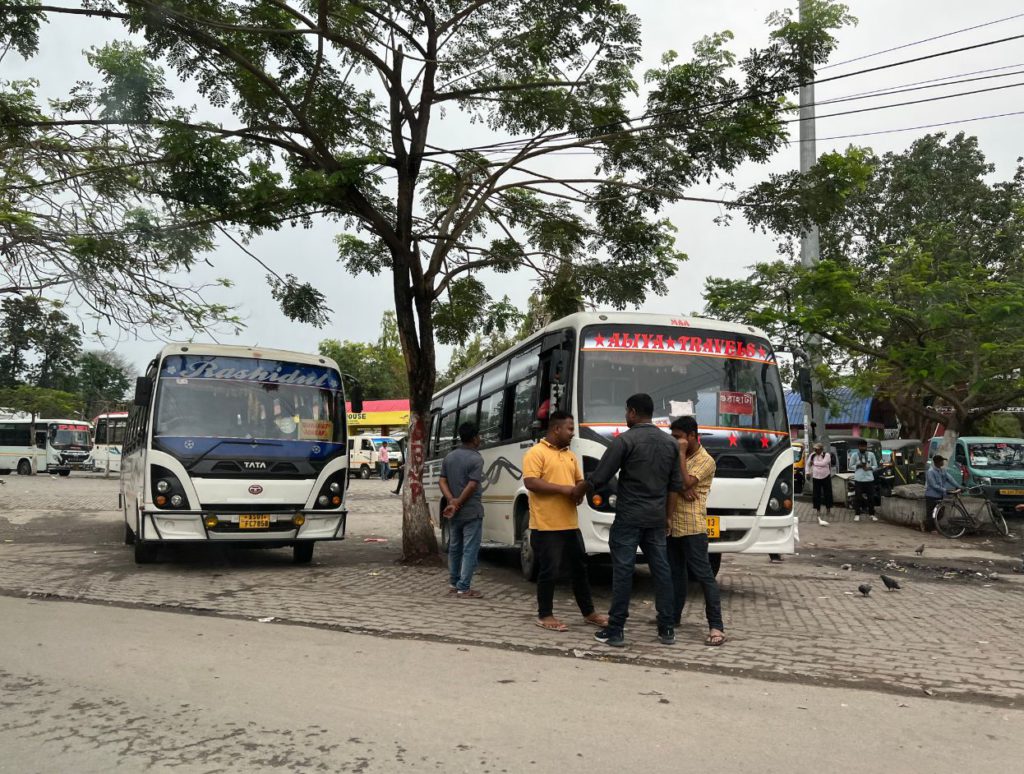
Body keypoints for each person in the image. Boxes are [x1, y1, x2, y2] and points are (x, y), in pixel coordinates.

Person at [582, 393, 682, 648]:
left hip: (628, 517)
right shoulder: (670, 444)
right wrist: (668, 517)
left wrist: (584, 488)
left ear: (634, 412)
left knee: (624, 571)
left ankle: (615, 630)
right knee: (661, 570)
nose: (626, 416)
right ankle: (667, 628)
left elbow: (601, 476)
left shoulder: (625, 441)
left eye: (627, 412)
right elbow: (675, 486)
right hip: (656, 519)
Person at [522, 410, 608, 632]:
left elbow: (577, 481)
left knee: (580, 570)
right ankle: (545, 615)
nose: (572, 433)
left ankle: (589, 613)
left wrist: (579, 492)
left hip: (570, 524)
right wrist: (563, 489)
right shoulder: (536, 453)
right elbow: (531, 482)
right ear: (556, 429)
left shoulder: (570, 455)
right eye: (569, 429)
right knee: (549, 572)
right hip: (546, 525)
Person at [667, 416, 725, 647]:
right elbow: (672, 482)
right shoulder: (674, 454)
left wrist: (682, 481)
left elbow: (684, 481)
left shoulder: (705, 460)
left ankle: (716, 626)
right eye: (674, 438)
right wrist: (682, 487)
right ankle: (673, 617)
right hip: (672, 523)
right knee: (675, 574)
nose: (676, 442)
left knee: (703, 576)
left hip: (694, 527)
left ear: (692, 436)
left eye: (679, 437)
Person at [439, 423, 485, 599]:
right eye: (479, 436)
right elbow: (472, 484)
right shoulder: (476, 459)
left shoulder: (449, 457)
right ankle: (464, 587)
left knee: (454, 547)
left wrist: (451, 500)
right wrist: (458, 501)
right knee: (469, 549)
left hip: (453, 512)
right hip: (471, 510)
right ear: (474, 438)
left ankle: (453, 582)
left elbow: (442, 481)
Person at [924, 454, 960, 532]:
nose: (943, 462)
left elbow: (950, 479)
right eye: (941, 461)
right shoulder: (930, 472)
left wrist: (959, 486)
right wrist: (945, 490)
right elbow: (933, 485)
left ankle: (934, 526)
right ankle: (929, 528)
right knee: (931, 513)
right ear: (937, 462)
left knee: (940, 513)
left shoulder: (942, 471)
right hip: (931, 496)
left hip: (940, 495)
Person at [851, 439, 879, 522]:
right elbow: (850, 466)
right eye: (861, 446)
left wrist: (869, 468)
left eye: (864, 446)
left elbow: (875, 465)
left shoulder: (871, 454)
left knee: (871, 497)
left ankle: (872, 514)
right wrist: (857, 465)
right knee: (858, 497)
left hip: (869, 479)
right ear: (858, 447)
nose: (862, 448)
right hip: (859, 479)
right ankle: (857, 514)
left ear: (866, 447)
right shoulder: (855, 455)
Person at [808, 442, 834, 526]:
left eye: (817, 449)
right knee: (816, 494)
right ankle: (818, 510)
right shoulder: (812, 455)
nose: (816, 451)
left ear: (821, 449)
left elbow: (824, 463)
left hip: (826, 476)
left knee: (828, 493)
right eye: (815, 449)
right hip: (816, 476)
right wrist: (808, 472)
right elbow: (808, 464)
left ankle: (828, 510)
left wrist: (814, 463)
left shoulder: (826, 455)